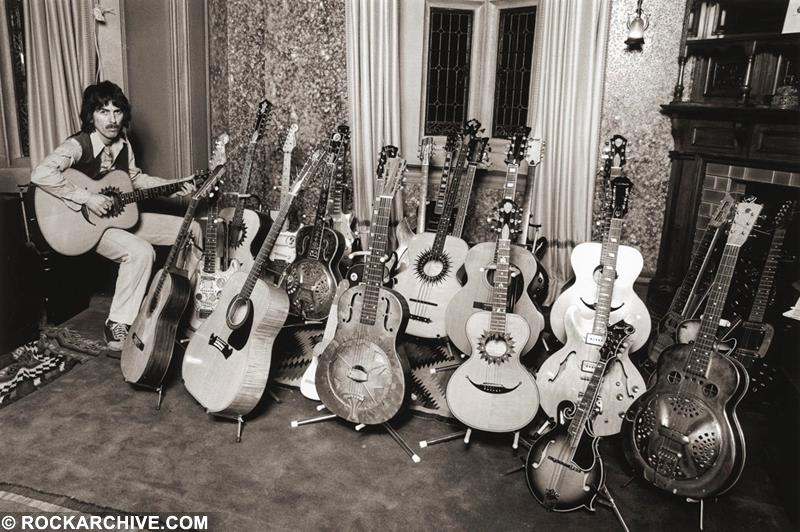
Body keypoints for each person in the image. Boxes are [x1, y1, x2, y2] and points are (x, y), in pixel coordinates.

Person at [31, 81, 202, 350]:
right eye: (102, 111)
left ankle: (181, 308)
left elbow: (135, 180)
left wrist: (176, 185)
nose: (111, 119)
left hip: (119, 218)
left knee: (191, 229)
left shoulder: (123, 145)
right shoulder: (78, 145)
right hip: (82, 225)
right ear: (90, 116)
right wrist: (87, 198)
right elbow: (41, 174)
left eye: (117, 111)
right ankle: (117, 325)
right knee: (140, 251)